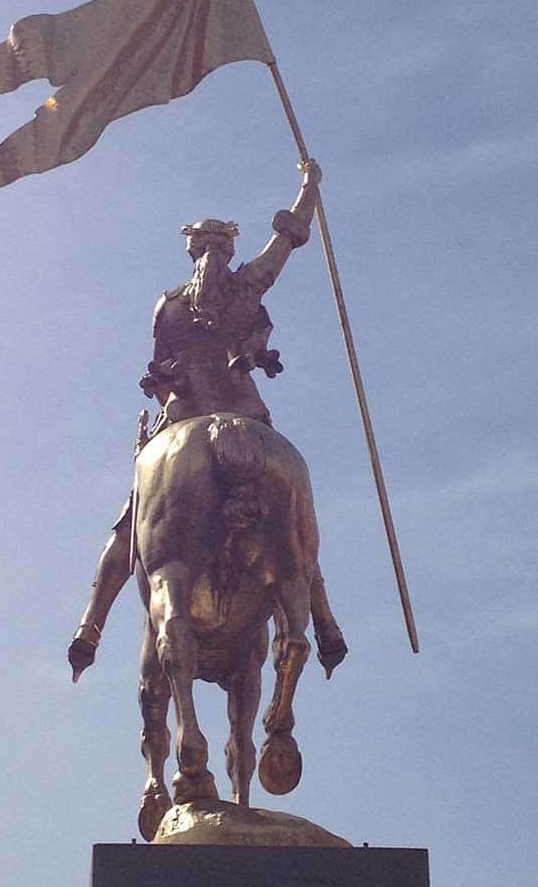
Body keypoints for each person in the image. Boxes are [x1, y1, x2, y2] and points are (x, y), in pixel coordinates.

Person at [69, 160, 347, 680]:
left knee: (133, 524)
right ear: (222, 252)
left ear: (192, 252)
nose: (213, 258)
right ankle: (325, 621)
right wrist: (310, 185)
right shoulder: (246, 288)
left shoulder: (169, 304)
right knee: (293, 529)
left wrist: (163, 383)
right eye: (216, 250)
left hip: (183, 418)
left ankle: (91, 624)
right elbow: (288, 239)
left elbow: (160, 368)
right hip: (246, 413)